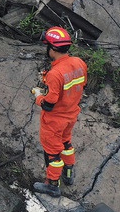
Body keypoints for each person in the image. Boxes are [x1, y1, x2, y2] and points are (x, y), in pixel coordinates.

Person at [31, 27, 88, 197]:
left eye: (47, 46)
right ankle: (68, 174)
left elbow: (48, 105)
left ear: (53, 49)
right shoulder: (79, 63)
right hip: (71, 115)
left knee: (52, 152)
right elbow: (80, 86)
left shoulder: (55, 74)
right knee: (66, 144)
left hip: (54, 120)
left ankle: (52, 184)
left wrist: (38, 95)